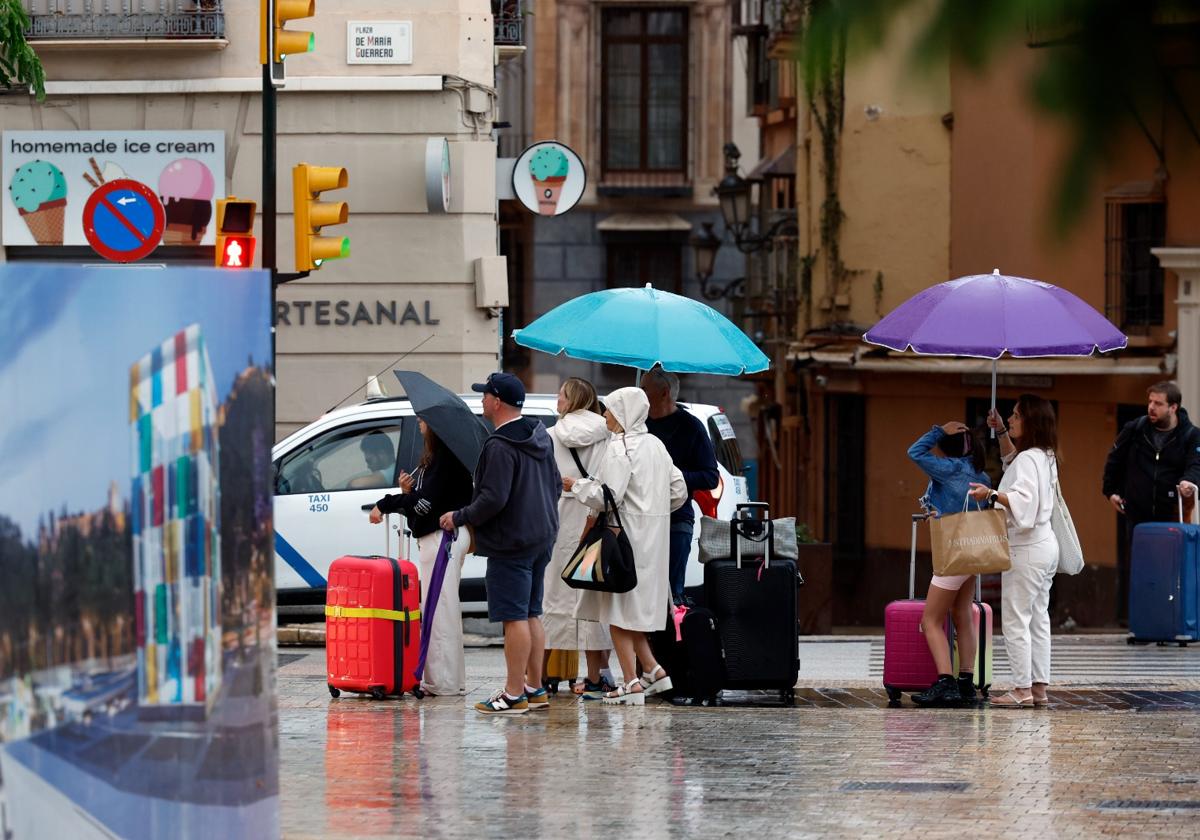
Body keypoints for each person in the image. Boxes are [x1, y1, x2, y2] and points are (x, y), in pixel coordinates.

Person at [439, 372, 562, 715]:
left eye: (485, 396)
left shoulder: (500, 445)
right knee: (531, 612)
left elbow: (493, 498)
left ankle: (512, 693)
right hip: (541, 535)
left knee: (513, 618)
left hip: (512, 541)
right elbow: (554, 484)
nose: (481, 401)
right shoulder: (539, 435)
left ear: (497, 402)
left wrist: (459, 516)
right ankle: (535, 688)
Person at [564, 387, 686, 706]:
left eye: (610, 410)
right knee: (634, 609)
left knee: (618, 611)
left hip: (624, 539)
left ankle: (631, 683)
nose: (605, 415)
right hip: (653, 540)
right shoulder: (657, 446)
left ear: (622, 414)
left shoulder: (620, 447)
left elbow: (608, 496)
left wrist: (575, 485)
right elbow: (679, 489)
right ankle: (654, 670)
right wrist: (653, 511)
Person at [368, 418, 473, 696]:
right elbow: (425, 502)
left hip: (443, 539)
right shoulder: (436, 460)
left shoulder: (444, 459)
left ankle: (443, 682)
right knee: (440, 609)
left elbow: (426, 506)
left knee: (439, 611)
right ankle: (448, 680)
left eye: (424, 419)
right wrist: (409, 492)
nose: (419, 422)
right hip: (441, 538)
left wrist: (387, 502)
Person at [968, 395, 1060, 708]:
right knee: (1038, 619)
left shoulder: (1030, 459)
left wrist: (991, 493)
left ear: (1031, 421)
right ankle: (1038, 688)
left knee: (1016, 619)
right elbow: (1013, 463)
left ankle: (1021, 690)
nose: (1010, 418)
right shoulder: (1042, 455)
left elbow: (1025, 504)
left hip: (1027, 548)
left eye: (1016, 415)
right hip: (1044, 547)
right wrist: (1003, 435)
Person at [907, 421, 992, 707]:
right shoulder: (981, 474)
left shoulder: (949, 469)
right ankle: (966, 682)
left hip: (953, 554)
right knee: (962, 615)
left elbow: (914, 452)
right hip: (974, 553)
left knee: (930, 620)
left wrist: (937, 431)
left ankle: (946, 683)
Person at [1101, 381, 1200, 623]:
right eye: (1150, 402)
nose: (1151, 408)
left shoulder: (1190, 435)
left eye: (1158, 403)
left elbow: (1195, 465)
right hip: (1137, 512)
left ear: (1173, 407)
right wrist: (1110, 491)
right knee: (1139, 568)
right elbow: (1114, 460)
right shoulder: (1135, 429)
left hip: (1171, 513)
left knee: (1171, 569)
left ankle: (1170, 620)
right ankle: (1142, 621)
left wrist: (1188, 483)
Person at [543, 377, 617, 696]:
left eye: (560, 395)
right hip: (595, 517)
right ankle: (595, 676)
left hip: (559, 517)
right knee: (590, 597)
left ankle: (542, 675)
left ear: (572, 400)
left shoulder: (549, 436)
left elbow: (544, 478)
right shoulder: (608, 434)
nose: (556, 400)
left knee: (553, 596)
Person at [640, 366, 718, 604]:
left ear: (664, 393)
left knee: (672, 596)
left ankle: (672, 639)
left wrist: (672, 476)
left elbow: (710, 477)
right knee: (641, 596)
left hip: (677, 520)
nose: (639, 393)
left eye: (644, 389)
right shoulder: (637, 425)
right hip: (640, 519)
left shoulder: (691, 426)